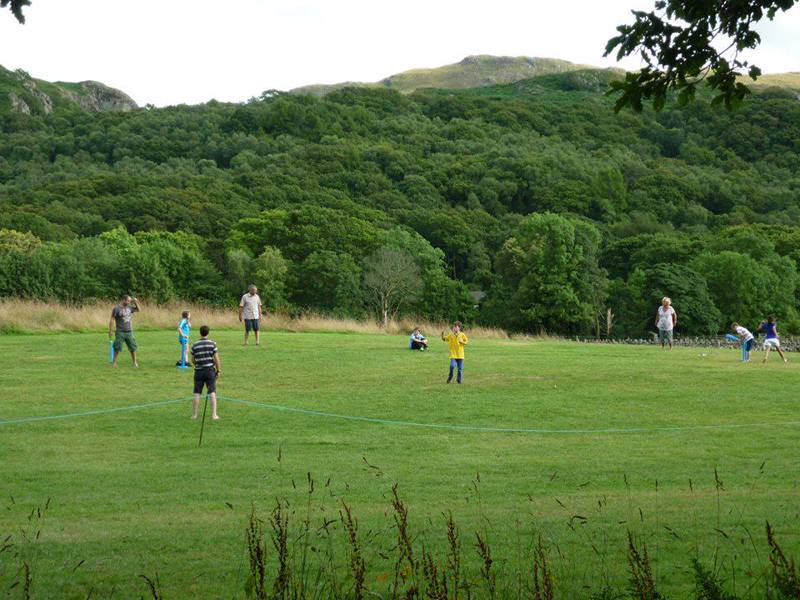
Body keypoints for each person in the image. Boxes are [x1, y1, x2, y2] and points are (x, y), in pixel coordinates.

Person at [191, 325, 221, 420]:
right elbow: (216, 359)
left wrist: (198, 364)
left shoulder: (195, 345)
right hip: (209, 371)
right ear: (208, 333)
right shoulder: (212, 344)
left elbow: (192, 359)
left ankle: (194, 415)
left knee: (197, 393)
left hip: (198, 371)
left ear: (200, 333)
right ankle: (214, 415)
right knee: (212, 392)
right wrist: (218, 370)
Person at [109, 294, 140, 368]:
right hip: (120, 331)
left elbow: (139, 310)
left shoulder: (129, 307)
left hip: (129, 331)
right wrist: (110, 330)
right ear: (124, 300)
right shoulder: (116, 308)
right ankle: (114, 363)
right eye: (128, 301)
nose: (129, 302)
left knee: (132, 347)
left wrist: (136, 302)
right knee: (117, 347)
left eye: (130, 301)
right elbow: (112, 319)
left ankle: (134, 363)